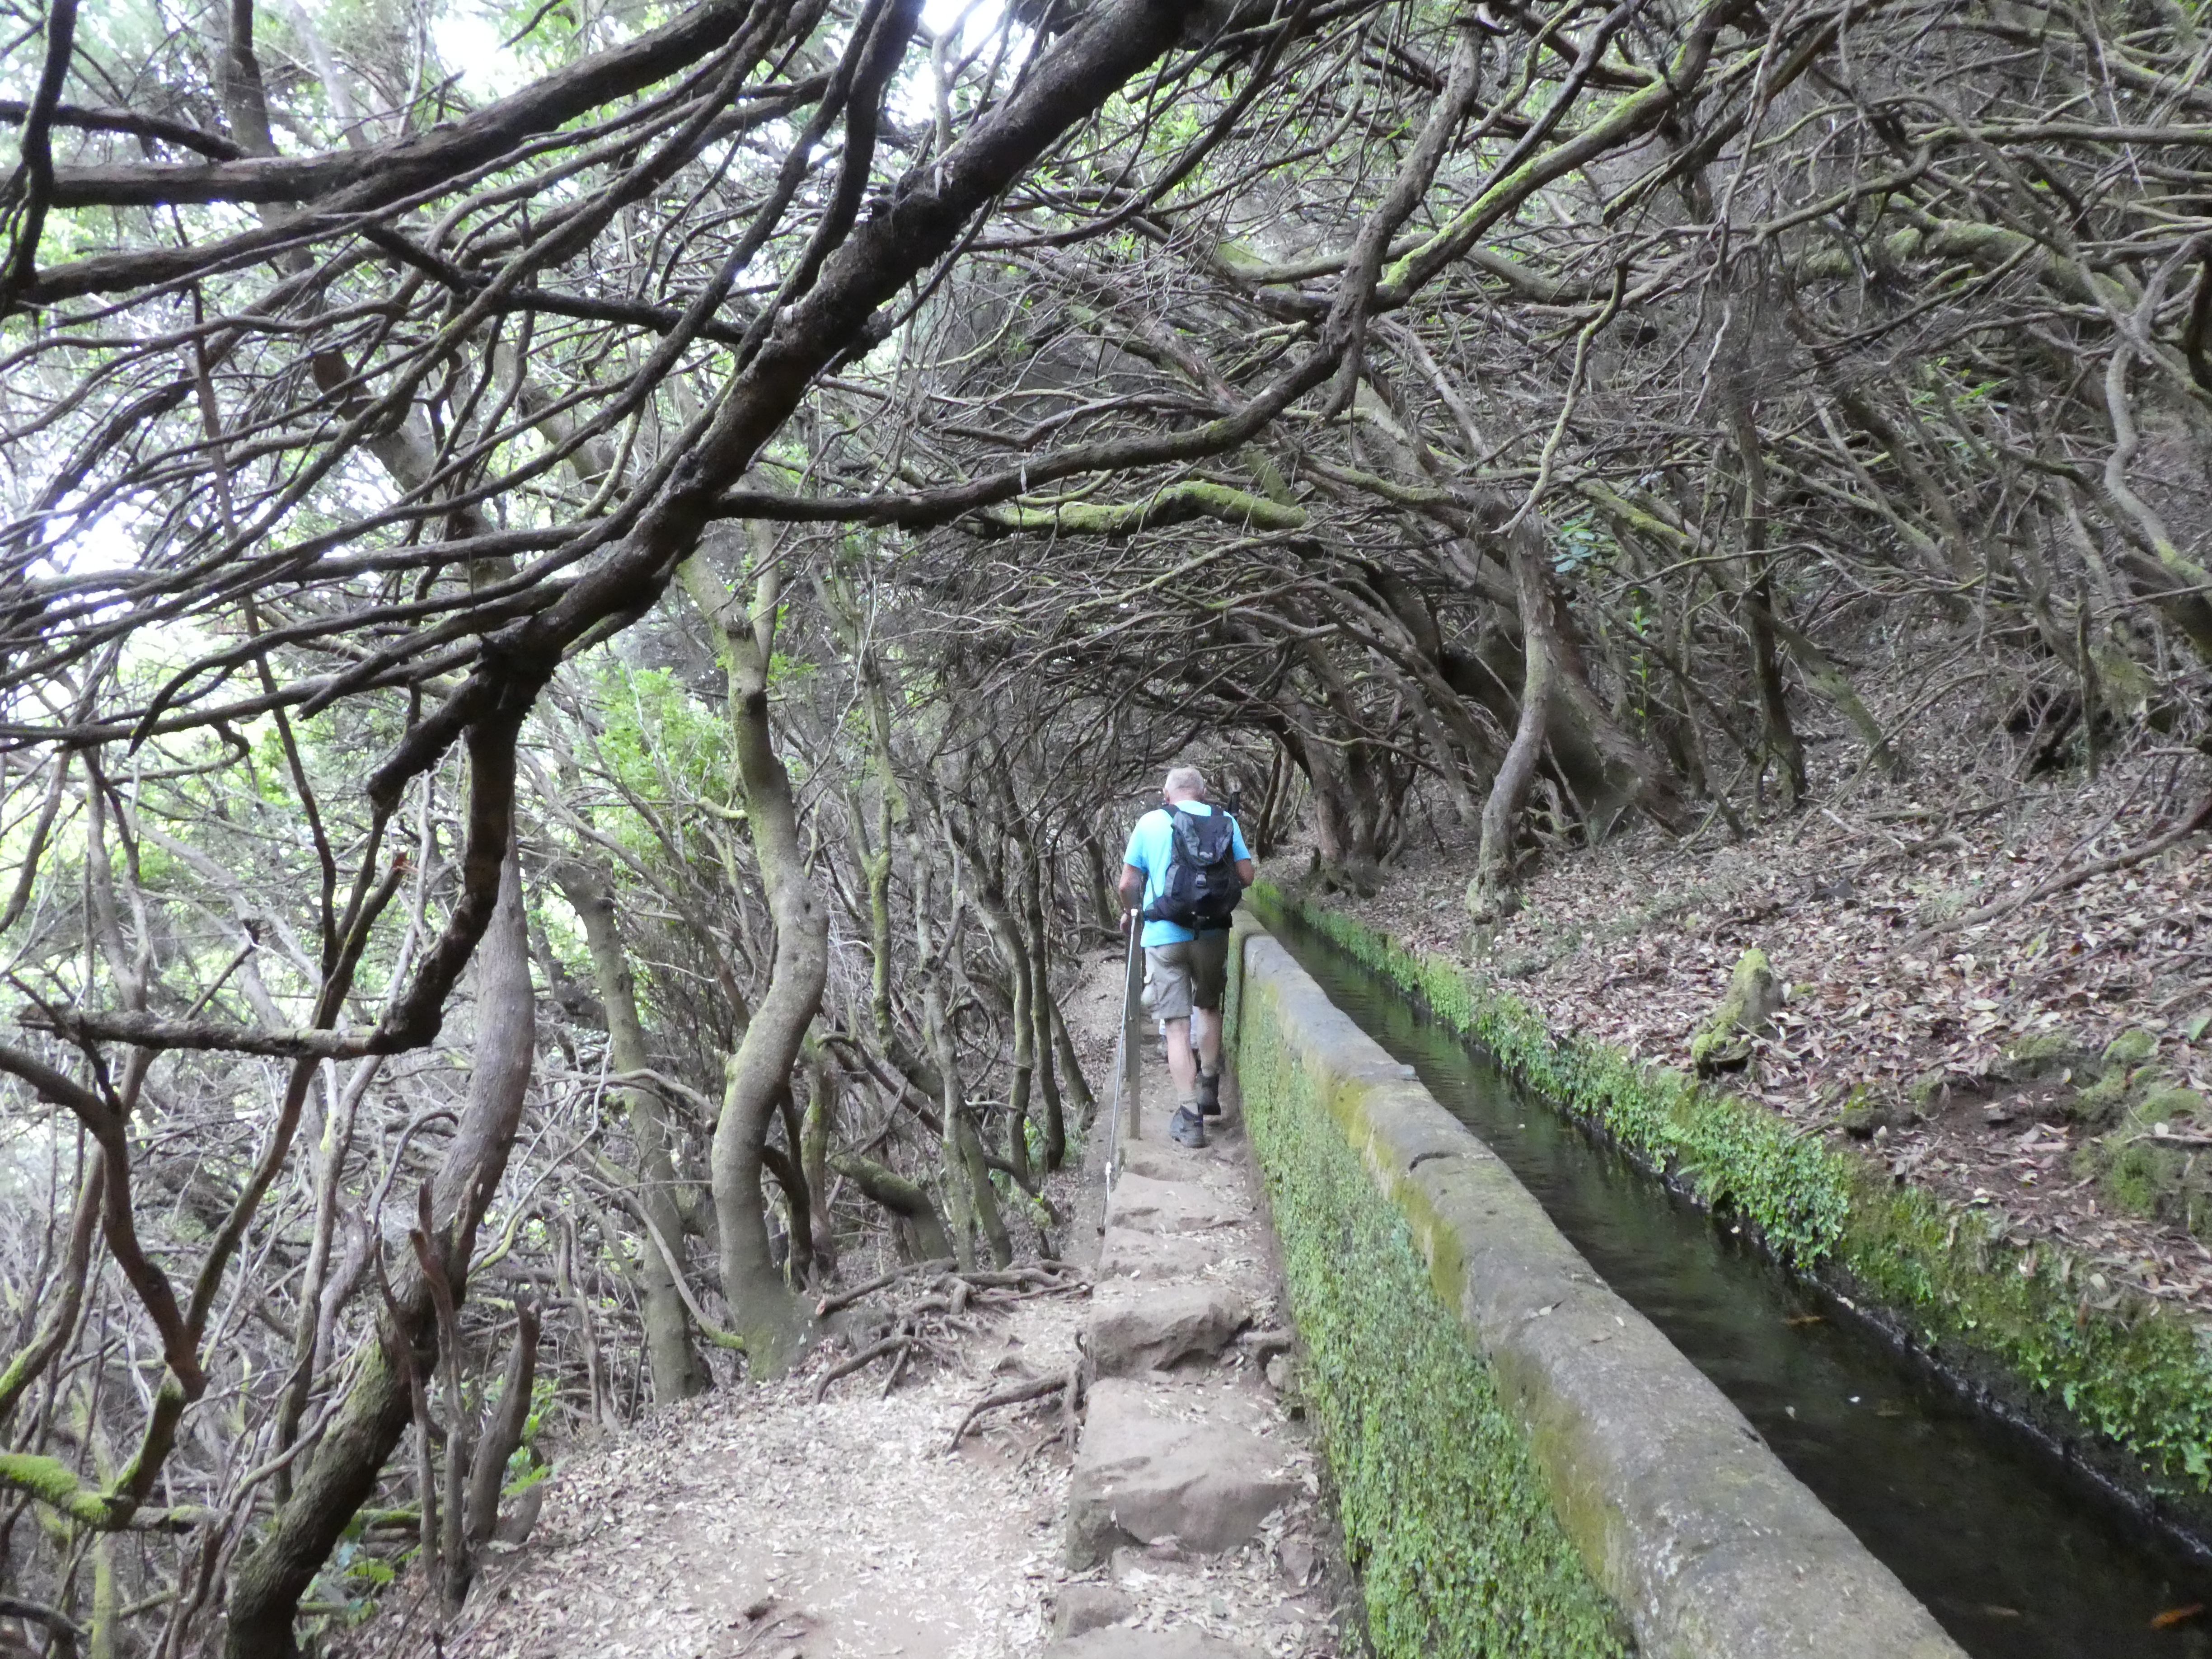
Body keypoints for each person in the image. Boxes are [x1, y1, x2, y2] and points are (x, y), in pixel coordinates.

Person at [1118, 766, 1256, 1148]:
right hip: (1213, 932)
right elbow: (1247, 876)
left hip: (1164, 936)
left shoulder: (1150, 822)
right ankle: (1210, 1086)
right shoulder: (1224, 819)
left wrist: (1132, 914)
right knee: (1209, 1008)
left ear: (1167, 794)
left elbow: (1127, 884)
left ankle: (1190, 1118)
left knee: (1177, 1027)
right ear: (1203, 792)